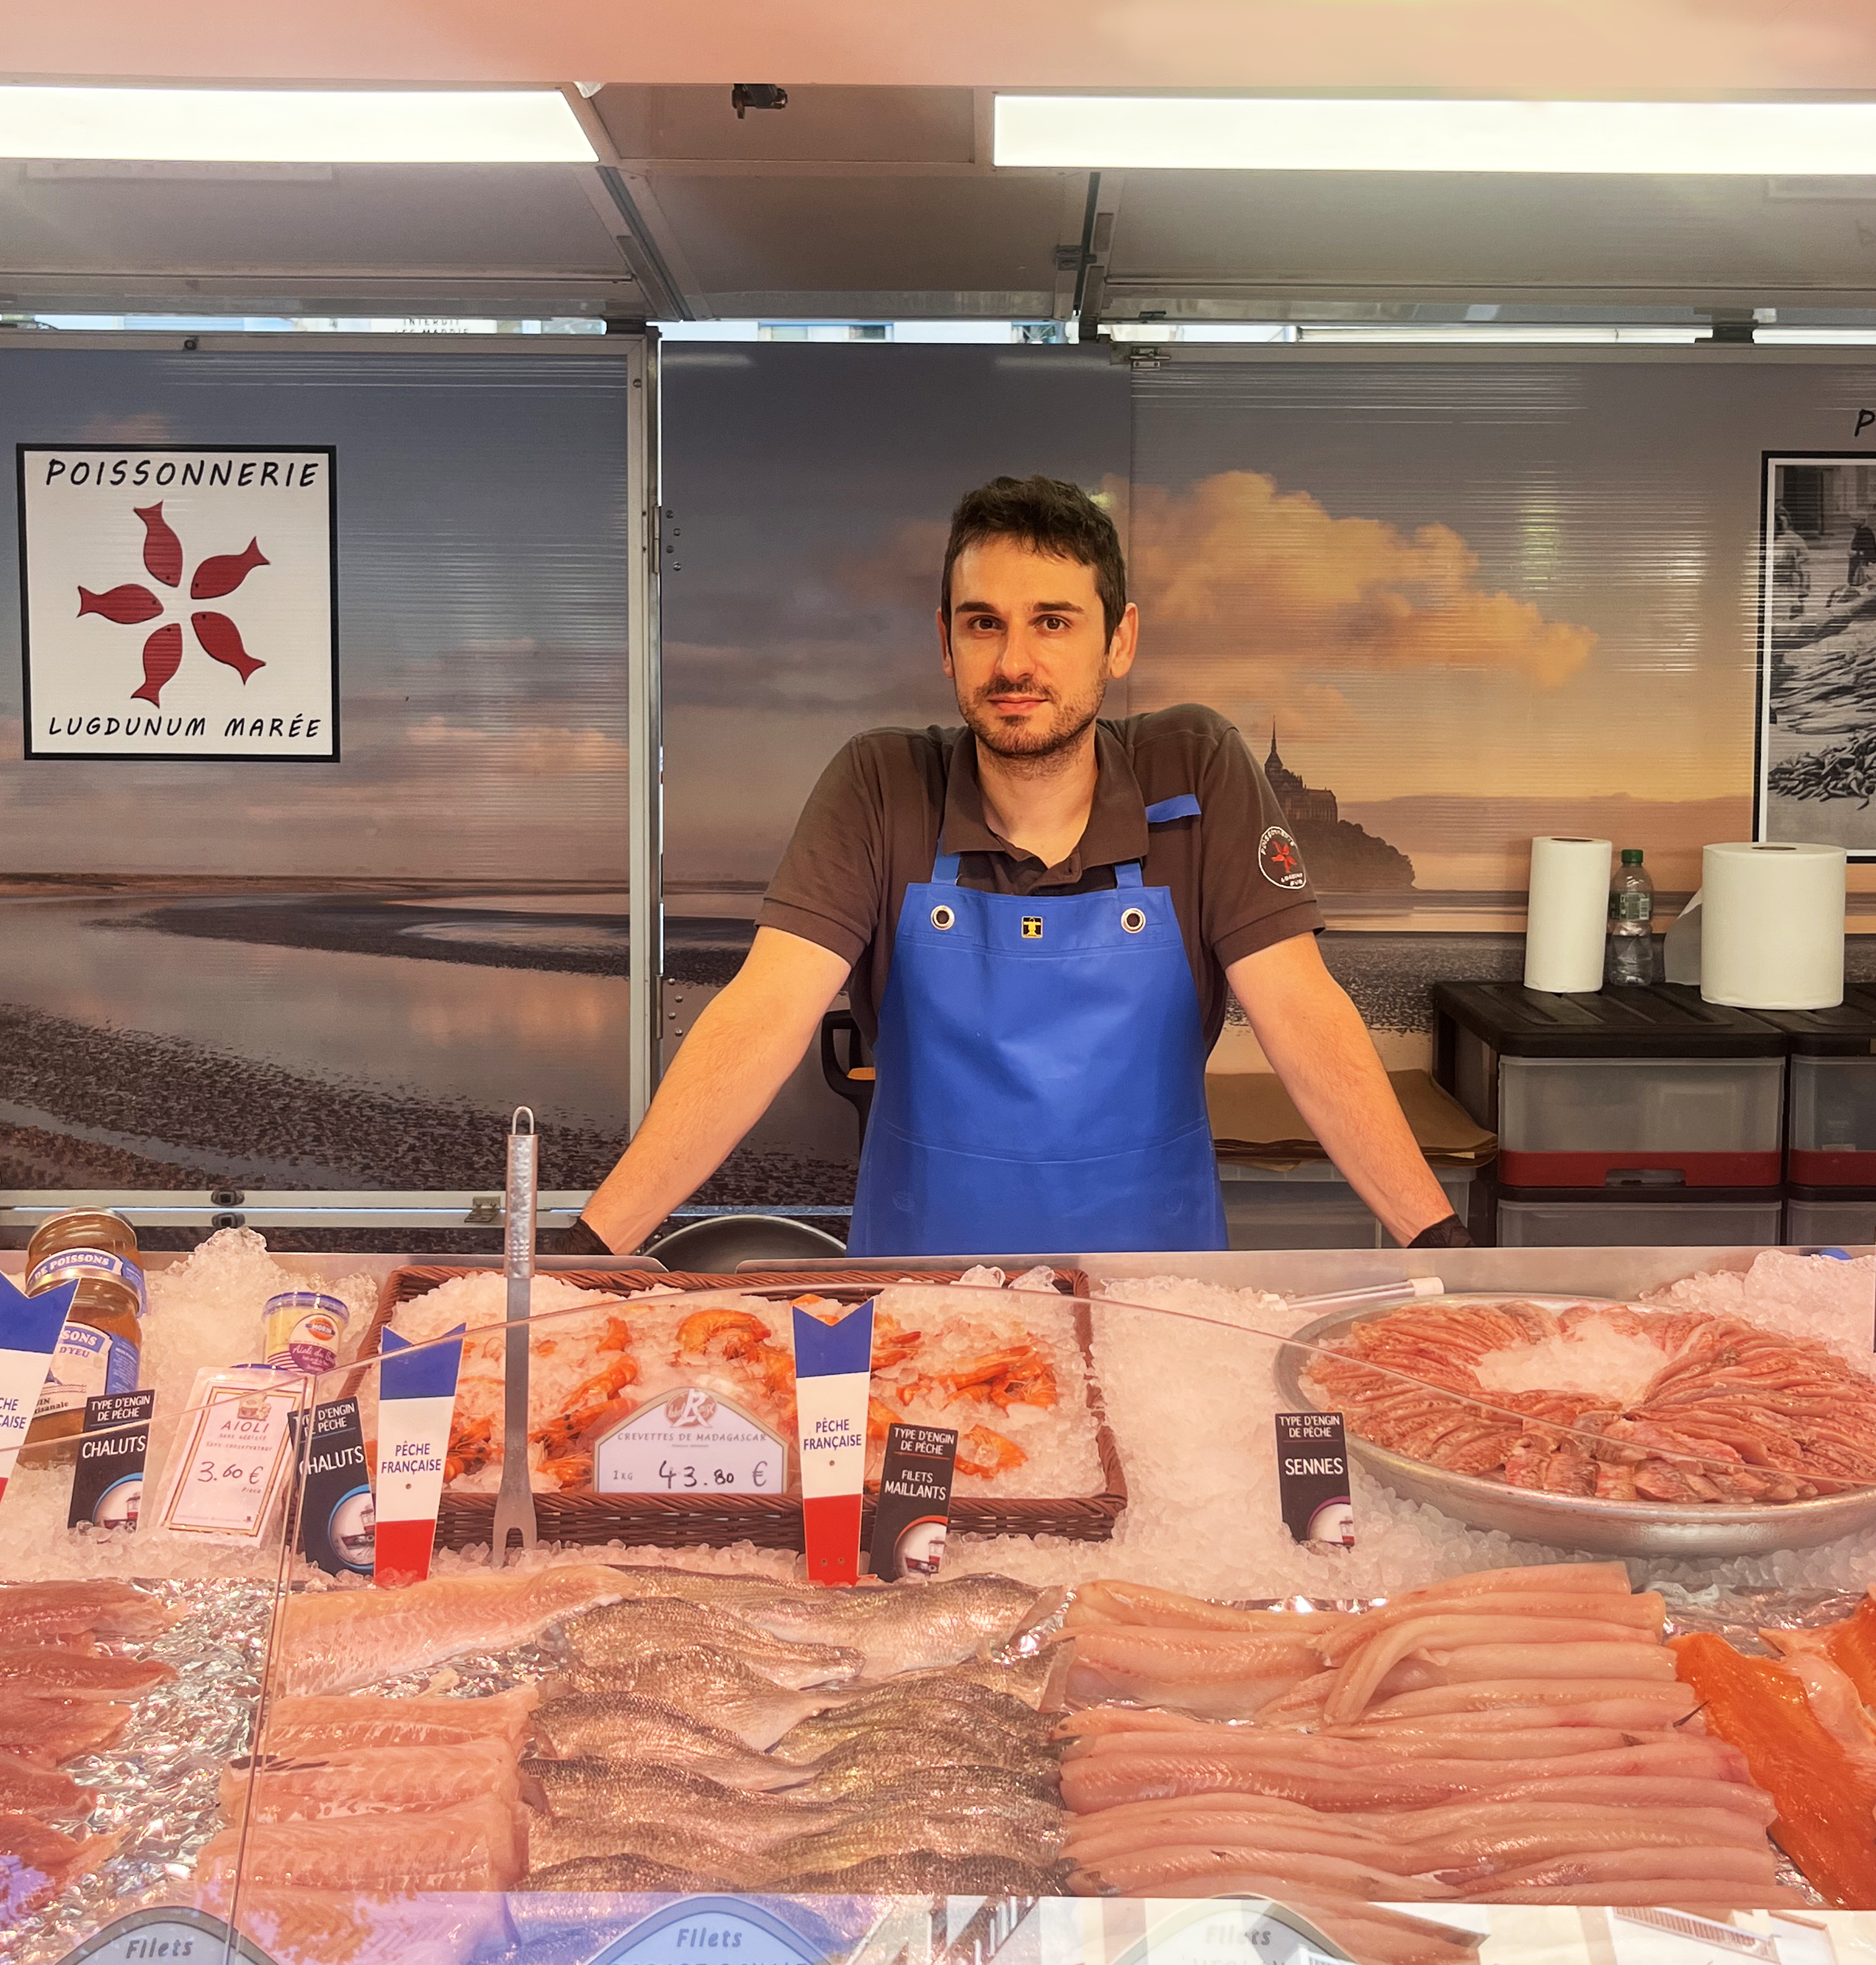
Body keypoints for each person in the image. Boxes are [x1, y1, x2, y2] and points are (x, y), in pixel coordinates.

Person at [574, 475, 1467, 1257]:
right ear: (946, 642)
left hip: (1148, 1293)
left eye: (1053, 622)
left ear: (1118, 642)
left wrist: (1442, 1242)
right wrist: (589, 1249)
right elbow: (762, 1014)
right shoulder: (881, 784)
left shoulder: (1197, 768)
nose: (1014, 662)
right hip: (921, 1297)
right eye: (983, 624)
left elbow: (1304, 1015)